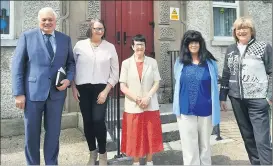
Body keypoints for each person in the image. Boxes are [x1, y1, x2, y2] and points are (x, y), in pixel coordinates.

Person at [11, 7, 75, 165]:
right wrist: (18, 94)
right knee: (32, 134)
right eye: (44, 20)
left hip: (56, 95)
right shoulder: (27, 37)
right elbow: (17, 66)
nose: (47, 22)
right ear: (39, 21)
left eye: (50, 19)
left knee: (53, 133)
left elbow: (71, 63)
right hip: (32, 94)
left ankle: (51, 163)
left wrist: (68, 80)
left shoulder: (64, 39)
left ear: (55, 21)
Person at [220, 16, 272, 165]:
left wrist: (269, 96)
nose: (241, 31)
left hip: (258, 100)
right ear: (235, 32)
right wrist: (222, 96)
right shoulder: (231, 49)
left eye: (245, 28)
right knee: (248, 138)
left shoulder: (264, 46)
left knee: (262, 140)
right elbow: (226, 73)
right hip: (237, 100)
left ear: (251, 31)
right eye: (238, 28)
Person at [72, 18, 119, 165]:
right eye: (96, 28)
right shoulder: (80, 46)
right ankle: (93, 153)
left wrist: (106, 91)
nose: (99, 31)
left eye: (102, 28)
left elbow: (115, 72)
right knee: (88, 121)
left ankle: (103, 153)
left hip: (101, 89)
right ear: (90, 29)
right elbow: (72, 68)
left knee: (98, 120)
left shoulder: (110, 47)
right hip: (83, 89)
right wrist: (73, 87)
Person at [173, 30, 221, 165]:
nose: (193, 45)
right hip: (186, 109)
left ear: (200, 44)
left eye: (196, 42)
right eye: (190, 42)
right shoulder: (180, 62)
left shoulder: (210, 63)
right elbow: (178, 82)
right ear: (186, 45)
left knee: (205, 146)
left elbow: (214, 83)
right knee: (189, 147)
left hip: (206, 109)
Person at [119, 34, 164, 165]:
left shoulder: (152, 62)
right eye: (137, 45)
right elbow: (122, 85)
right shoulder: (126, 63)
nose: (140, 47)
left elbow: (156, 82)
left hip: (150, 104)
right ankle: (136, 161)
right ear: (133, 47)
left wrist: (148, 97)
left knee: (150, 134)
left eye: (142, 45)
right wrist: (137, 99)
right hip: (133, 105)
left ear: (145, 46)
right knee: (135, 135)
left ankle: (149, 161)